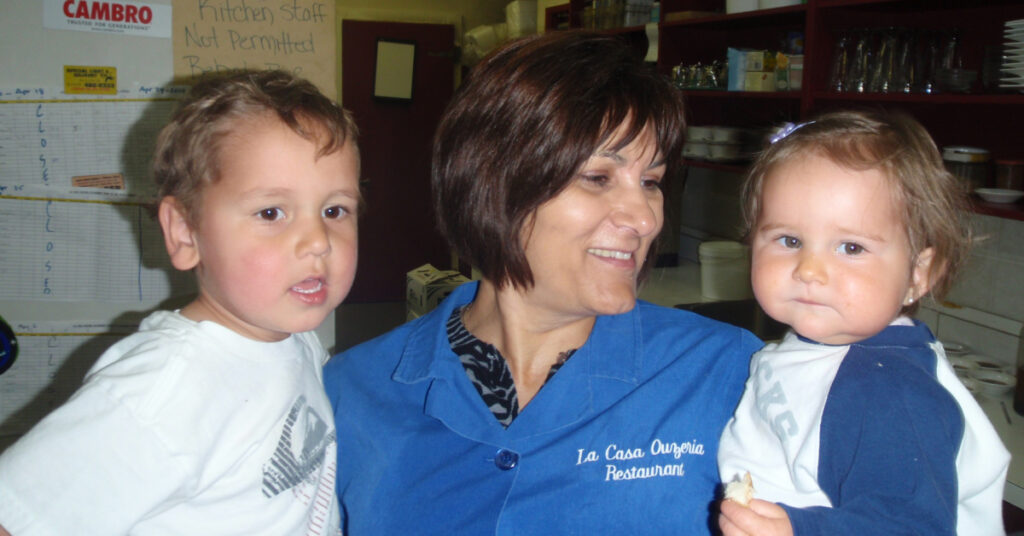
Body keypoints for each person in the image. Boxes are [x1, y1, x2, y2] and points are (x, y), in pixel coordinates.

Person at [322, 30, 764, 535]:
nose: (645, 219)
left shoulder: (729, 374)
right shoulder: (351, 392)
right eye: (598, 178)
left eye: (652, 182)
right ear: (493, 184)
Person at [0, 70, 360, 535]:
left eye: (335, 210)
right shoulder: (164, 389)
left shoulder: (293, 340)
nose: (318, 241)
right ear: (184, 232)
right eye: (271, 212)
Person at [717, 110, 1011, 535]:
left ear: (918, 274)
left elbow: (914, 527)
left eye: (851, 247)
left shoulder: (886, 390)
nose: (809, 269)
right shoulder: (825, 351)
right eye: (789, 240)